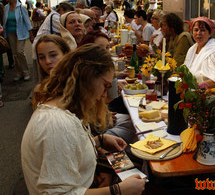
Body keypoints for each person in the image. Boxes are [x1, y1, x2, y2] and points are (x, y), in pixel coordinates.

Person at [22, 44, 146, 195]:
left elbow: (68, 151)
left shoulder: (60, 110)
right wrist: (118, 190)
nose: (104, 95)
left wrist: (98, 140)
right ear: (87, 78)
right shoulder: (56, 124)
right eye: (105, 86)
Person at [184, 16, 215, 88]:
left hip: (207, 94)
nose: (198, 33)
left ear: (210, 33)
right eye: (196, 30)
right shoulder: (192, 49)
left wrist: (198, 87)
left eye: (203, 30)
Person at [3, 0, 34, 81]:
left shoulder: (21, 7)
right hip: (10, 32)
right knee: (14, 54)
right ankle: (19, 73)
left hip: (20, 32)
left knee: (20, 51)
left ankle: (26, 72)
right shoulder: (6, 7)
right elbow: (4, 21)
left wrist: (31, 34)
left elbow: (27, 21)